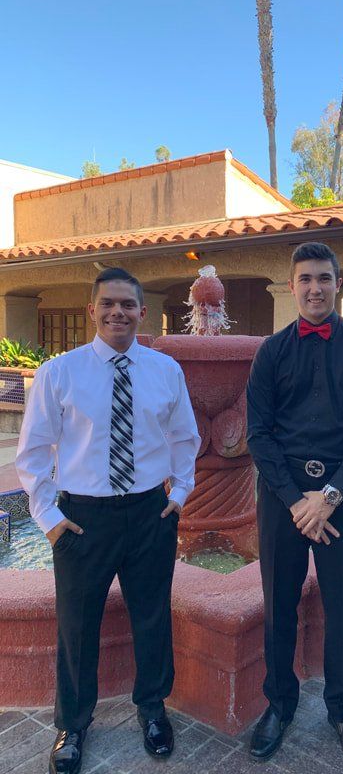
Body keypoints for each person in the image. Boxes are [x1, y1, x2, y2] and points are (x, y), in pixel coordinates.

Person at [16, 267, 200, 774]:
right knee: (76, 626)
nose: (118, 311)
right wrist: (49, 517)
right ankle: (71, 725)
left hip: (149, 513)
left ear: (143, 311)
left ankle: (152, 708)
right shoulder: (60, 373)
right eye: (108, 303)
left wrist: (180, 493)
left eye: (127, 304)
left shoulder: (166, 372)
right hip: (82, 519)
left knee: (151, 616)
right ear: (91, 310)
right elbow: (32, 453)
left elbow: (186, 437)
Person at [246, 242, 343, 766]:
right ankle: (278, 706)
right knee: (279, 604)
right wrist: (295, 501)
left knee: (341, 607)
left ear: (338, 282)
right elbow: (258, 435)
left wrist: (328, 497)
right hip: (283, 501)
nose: (314, 288)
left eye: (324, 278)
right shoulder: (270, 352)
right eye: (305, 278)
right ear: (292, 286)